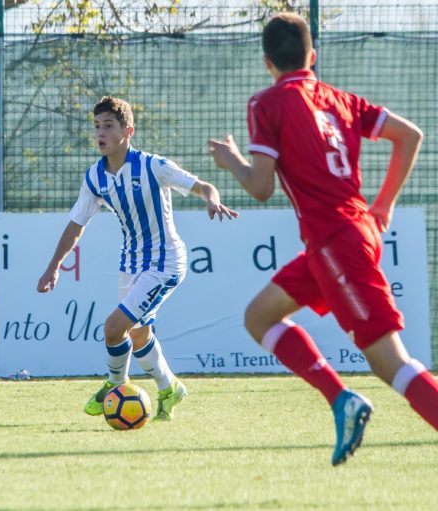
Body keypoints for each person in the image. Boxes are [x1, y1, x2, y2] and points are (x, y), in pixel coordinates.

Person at [208, 12, 438, 465]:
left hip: (336, 243)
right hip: (342, 237)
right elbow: (409, 136)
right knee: (259, 316)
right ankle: (341, 400)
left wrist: (232, 161)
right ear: (313, 56)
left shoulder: (267, 103)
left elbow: (260, 187)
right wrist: (383, 206)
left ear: (266, 62)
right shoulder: (339, 99)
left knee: (390, 363)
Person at [38, 96, 238, 421]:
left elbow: (204, 186)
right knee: (138, 334)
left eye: (109, 126)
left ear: (127, 131)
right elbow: (76, 224)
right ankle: (169, 387)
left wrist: (212, 200)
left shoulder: (152, 166)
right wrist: (53, 267)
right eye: (97, 126)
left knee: (113, 328)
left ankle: (115, 385)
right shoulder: (95, 178)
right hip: (130, 264)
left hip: (165, 263)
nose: (100, 133)